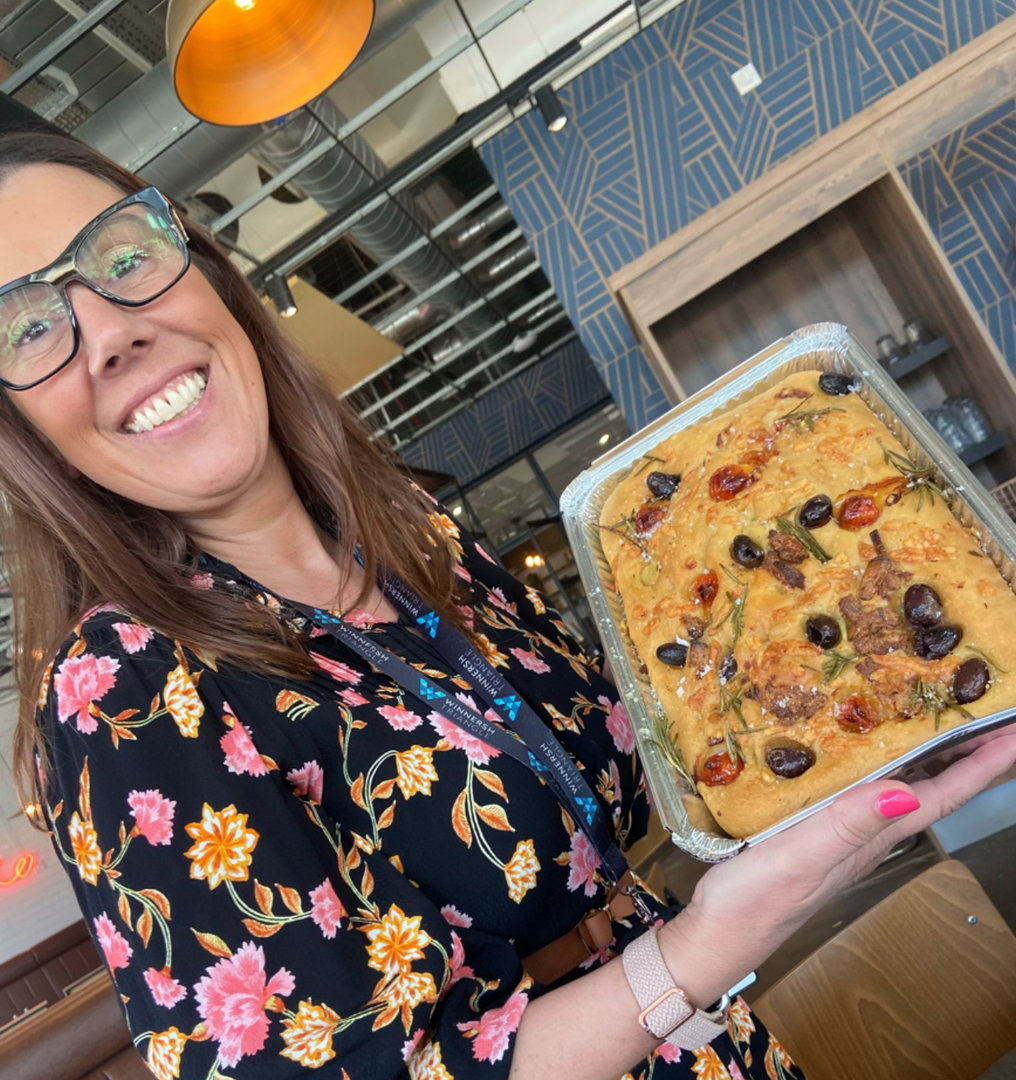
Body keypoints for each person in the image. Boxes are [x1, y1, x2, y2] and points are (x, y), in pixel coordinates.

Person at [2, 131, 1014, 1080]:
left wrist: (866, 728)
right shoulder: (119, 689)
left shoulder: (413, 531)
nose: (109, 335)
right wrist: (705, 946)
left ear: (208, 270)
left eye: (122, 256)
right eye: (27, 327)